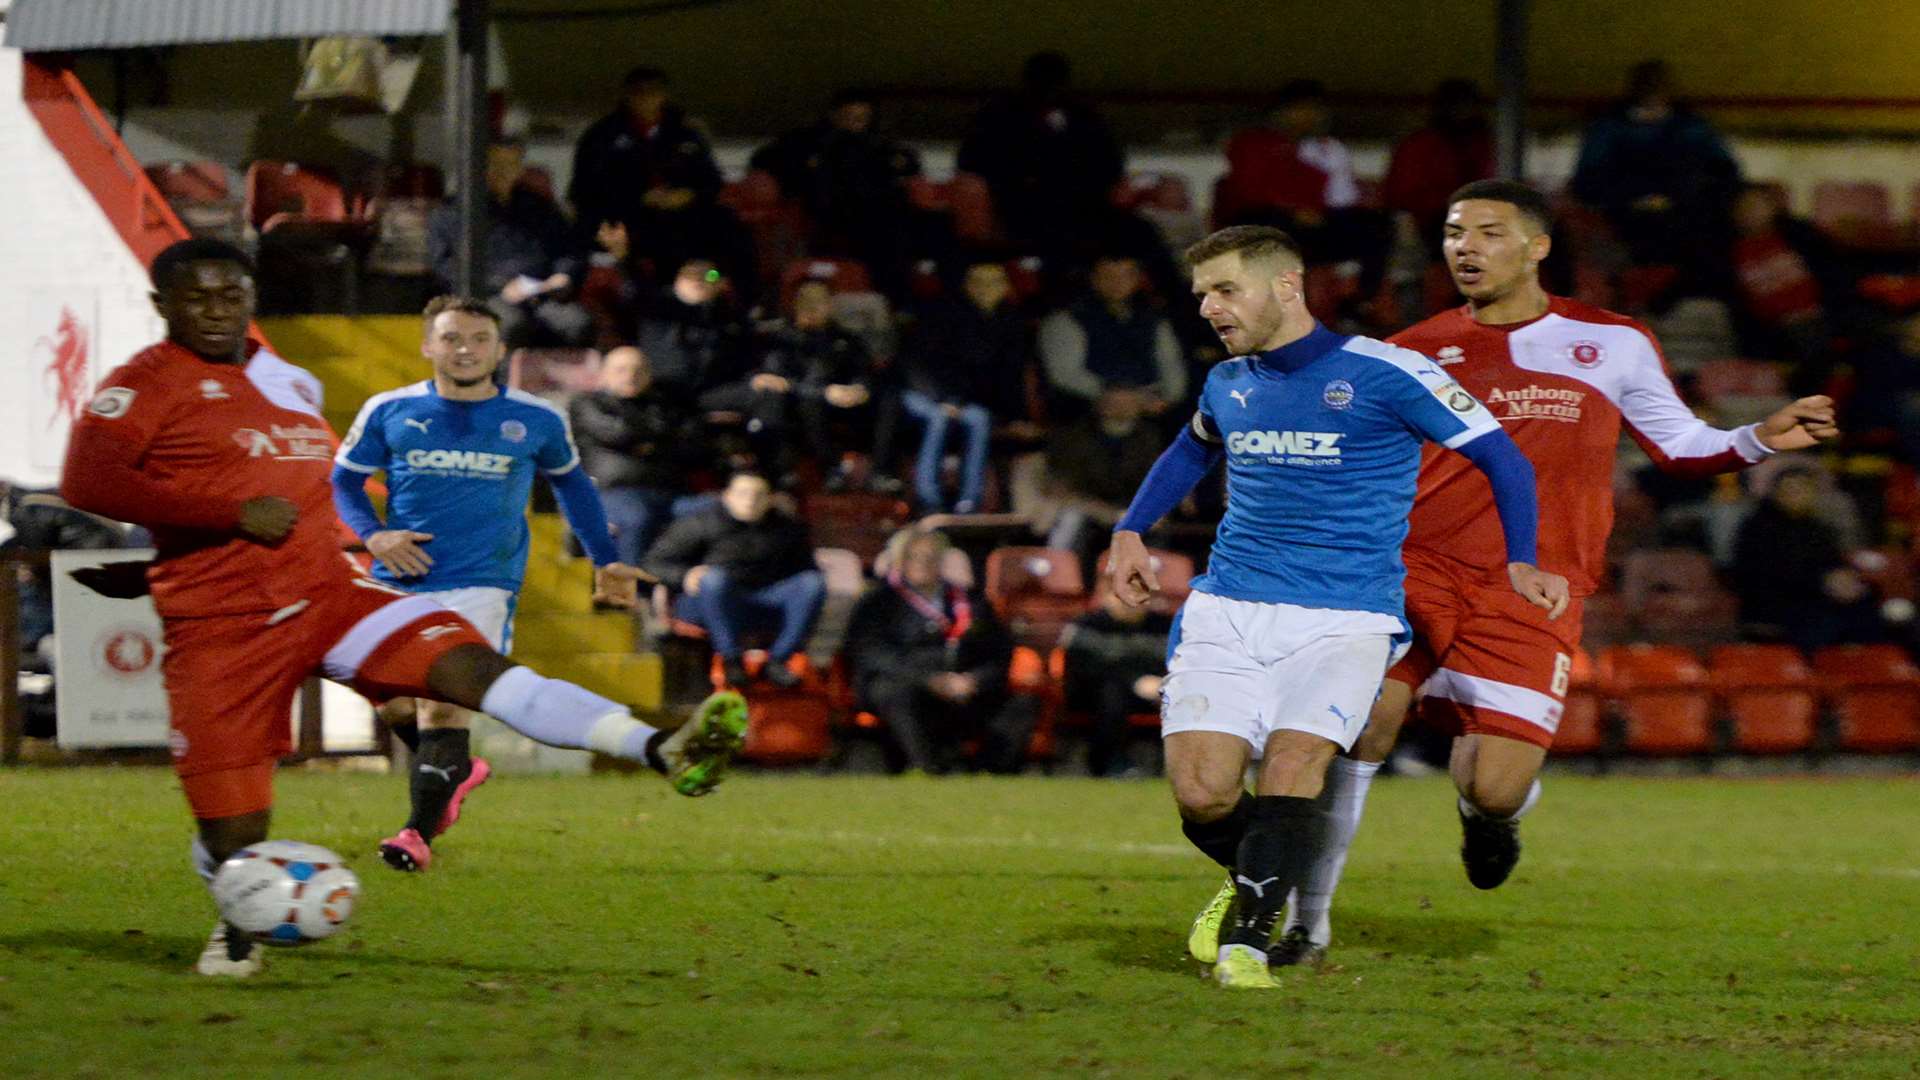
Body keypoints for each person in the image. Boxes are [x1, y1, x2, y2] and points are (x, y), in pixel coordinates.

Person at [60, 239, 748, 978]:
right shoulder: (148, 383)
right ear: (163, 305)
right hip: (225, 628)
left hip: (332, 593)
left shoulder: (280, 379)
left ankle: (660, 748)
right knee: (235, 830)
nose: (218, 311)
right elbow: (88, 481)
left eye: (231, 295)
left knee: (478, 674)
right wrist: (221, 519)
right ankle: (239, 920)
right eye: (198, 298)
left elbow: (299, 497)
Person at [1263, 181, 1838, 969]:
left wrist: (1759, 439)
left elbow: (1679, 446)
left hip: (1534, 586)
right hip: (1412, 570)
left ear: (1538, 246)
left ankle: (1491, 817)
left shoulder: (1615, 341)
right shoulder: (1413, 349)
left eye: (1489, 233)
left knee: (1495, 785)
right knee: (1361, 726)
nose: (1465, 247)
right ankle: (1308, 926)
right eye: (1454, 233)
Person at [1105, 224, 1565, 989]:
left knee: (1295, 765)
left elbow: (1501, 456)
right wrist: (1129, 529)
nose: (1210, 310)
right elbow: (1194, 445)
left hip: (1347, 616)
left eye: (1225, 290)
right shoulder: (1229, 381)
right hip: (1230, 606)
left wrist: (1521, 557)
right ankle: (1262, 870)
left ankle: (1251, 945)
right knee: (1202, 793)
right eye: (1201, 297)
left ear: (1286, 286)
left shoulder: (1388, 373)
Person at [331, 296, 648, 871]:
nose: (465, 349)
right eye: (452, 338)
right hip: (398, 577)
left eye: (479, 339)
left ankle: (415, 834)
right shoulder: (389, 410)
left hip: (483, 582)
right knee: (394, 702)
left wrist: (605, 558)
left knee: (442, 708)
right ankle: (457, 772)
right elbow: (345, 483)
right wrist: (374, 536)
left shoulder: (536, 418)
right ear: (429, 346)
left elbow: (573, 489)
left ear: (499, 350)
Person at [845, 529, 1035, 774]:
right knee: (894, 692)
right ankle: (927, 769)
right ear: (900, 561)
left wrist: (974, 680)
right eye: (915, 556)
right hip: (910, 685)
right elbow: (870, 652)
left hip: (964, 688)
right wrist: (929, 680)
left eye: (932, 557)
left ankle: (988, 773)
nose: (924, 563)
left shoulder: (970, 601)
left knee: (1021, 705)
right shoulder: (878, 602)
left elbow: (999, 651)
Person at [567, 67, 751, 292]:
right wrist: (640, 197)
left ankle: (720, 286)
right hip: (629, 214)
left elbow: (710, 179)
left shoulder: (685, 132)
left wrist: (688, 194)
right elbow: (586, 189)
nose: (646, 99)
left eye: (652, 92)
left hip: (684, 210)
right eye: (639, 92)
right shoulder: (602, 136)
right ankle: (665, 295)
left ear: (664, 95)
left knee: (729, 231)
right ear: (627, 95)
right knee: (659, 247)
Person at [643, 470, 824, 689]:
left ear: (770, 499)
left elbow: (807, 571)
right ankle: (731, 660)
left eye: (759, 495)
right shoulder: (700, 523)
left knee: (811, 583)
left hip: (764, 603)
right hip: (710, 603)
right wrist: (685, 575)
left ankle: (779, 659)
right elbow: (652, 564)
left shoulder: (786, 529)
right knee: (714, 579)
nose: (750, 501)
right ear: (727, 496)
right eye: (743, 493)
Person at [1570, 60, 1741, 290]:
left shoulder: (1692, 127)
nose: (1653, 92)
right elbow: (1587, 181)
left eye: (1659, 86)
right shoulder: (1609, 128)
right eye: (1647, 86)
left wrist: (1688, 195)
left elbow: (1725, 172)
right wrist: (1629, 198)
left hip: (1687, 215)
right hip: (1623, 217)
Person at [731, 278, 901, 489]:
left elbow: (861, 368)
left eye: (823, 302)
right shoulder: (783, 338)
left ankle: (881, 472)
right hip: (803, 400)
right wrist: (823, 392)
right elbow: (777, 380)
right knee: (808, 405)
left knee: (889, 397)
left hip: (842, 397)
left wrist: (860, 388)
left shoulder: (841, 337)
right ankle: (831, 470)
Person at [751, 89, 921, 295]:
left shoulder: (879, 144)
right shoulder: (809, 141)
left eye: (862, 118)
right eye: (849, 117)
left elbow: (907, 164)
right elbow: (765, 159)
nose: (855, 124)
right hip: (823, 215)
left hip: (876, 217)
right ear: (834, 116)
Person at [957, 51, 1125, 259]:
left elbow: (1110, 167)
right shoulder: (997, 116)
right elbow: (971, 163)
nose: (1047, 91)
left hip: (1074, 205)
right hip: (1012, 202)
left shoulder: (1085, 119)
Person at [427, 141, 592, 348]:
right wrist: (500, 285)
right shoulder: (453, 212)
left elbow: (569, 250)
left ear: (521, 169)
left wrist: (563, 275)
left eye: (511, 165)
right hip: (487, 297)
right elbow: (444, 266)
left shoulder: (539, 207)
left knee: (577, 323)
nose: (503, 172)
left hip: (541, 295)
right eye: (495, 164)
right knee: (511, 325)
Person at [899, 260, 1033, 513]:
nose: (986, 288)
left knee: (979, 419)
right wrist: (946, 399)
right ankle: (929, 499)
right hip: (924, 394)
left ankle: (969, 502)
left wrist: (1018, 416)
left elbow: (1011, 375)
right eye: (978, 281)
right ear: (966, 285)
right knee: (938, 419)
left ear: (1005, 287)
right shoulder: (939, 314)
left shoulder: (1010, 322)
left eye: (993, 282)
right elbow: (918, 364)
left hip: (966, 402)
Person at [568, 346, 704, 567]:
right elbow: (620, 433)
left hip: (668, 492)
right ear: (604, 374)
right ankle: (626, 593)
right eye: (621, 370)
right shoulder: (587, 403)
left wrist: (648, 440)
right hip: (612, 492)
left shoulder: (665, 404)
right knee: (637, 517)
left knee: (712, 510)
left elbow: (692, 442)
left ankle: (682, 591)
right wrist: (660, 437)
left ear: (649, 375)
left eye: (638, 370)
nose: (630, 376)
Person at [1730, 464, 1876, 652]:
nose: (1795, 494)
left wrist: (1844, 579)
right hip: (1777, 605)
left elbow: (1832, 563)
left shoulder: (1817, 528)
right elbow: (1761, 576)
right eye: (1789, 489)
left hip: (1819, 598)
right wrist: (1823, 582)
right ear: (1775, 493)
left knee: (1871, 607)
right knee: (1823, 621)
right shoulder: (1757, 529)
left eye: (1802, 489)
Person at [1038, 254, 1187, 421]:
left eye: (1126, 276)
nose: (1117, 282)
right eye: (1108, 276)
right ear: (1093, 278)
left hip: (1151, 406)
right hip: (1091, 410)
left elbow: (1170, 363)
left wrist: (1168, 397)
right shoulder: (1067, 320)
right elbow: (1065, 373)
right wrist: (1118, 395)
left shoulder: (1153, 319)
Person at [1060, 576, 1174, 778]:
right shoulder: (1086, 625)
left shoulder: (1163, 626)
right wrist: (1135, 681)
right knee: (1111, 692)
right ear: (1106, 596)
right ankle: (1110, 763)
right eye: (1124, 594)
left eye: (1140, 594)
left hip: (1154, 691)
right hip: (1093, 696)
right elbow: (1087, 669)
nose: (1133, 601)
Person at [1382, 78, 1495, 258]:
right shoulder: (1420, 145)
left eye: (1468, 107)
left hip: (1475, 216)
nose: (1463, 113)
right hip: (1430, 220)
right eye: (1457, 107)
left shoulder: (1482, 143)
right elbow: (1401, 197)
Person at [637, 259, 753, 398]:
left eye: (707, 277)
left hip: (708, 389)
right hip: (665, 387)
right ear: (678, 281)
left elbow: (740, 345)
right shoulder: (659, 305)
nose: (698, 280)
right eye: (690, 276)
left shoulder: (721, 314)